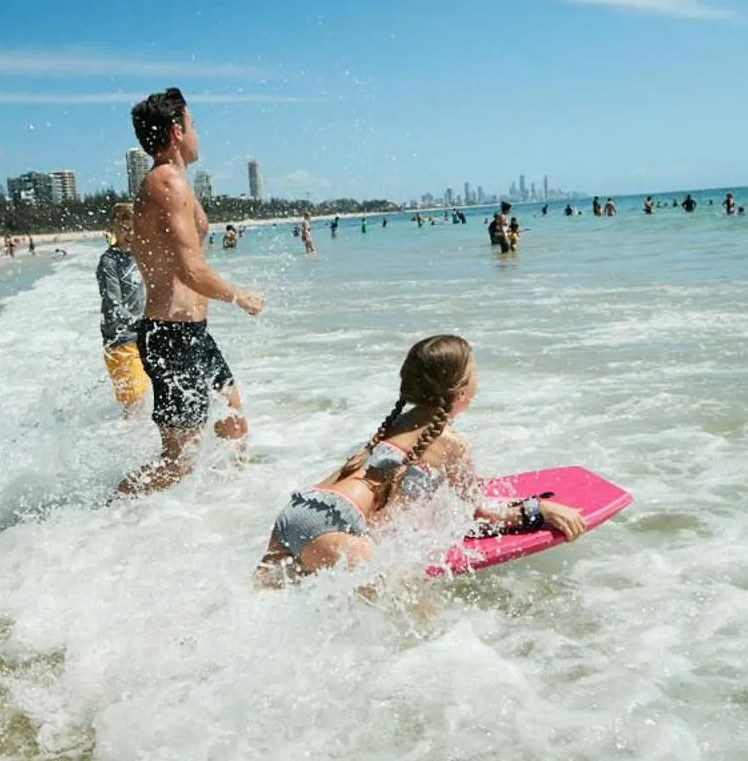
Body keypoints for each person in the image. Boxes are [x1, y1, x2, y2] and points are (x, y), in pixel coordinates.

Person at [256, 335, 586, 584]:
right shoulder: (451, 442)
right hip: (334, 524)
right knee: (423, 618)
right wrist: (539, 510)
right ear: (462, 391)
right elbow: (477, 514)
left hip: (297, 512)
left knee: (261, 617)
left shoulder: (396, 424)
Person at [118, 88, 265, 495]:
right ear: (176, 131)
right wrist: (238, 295)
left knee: (233, 424)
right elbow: (190, 269)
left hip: (191, 333)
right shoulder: (166, 181)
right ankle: (107, 512)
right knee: (177, 463)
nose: (198, 133)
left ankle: (225, 508)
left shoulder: (175, 180)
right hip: (170, 336)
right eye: (193, 124)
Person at [97, 202, 151, 416]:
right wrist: (139, 323)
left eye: (135, 228)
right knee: (134, 400)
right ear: (113, 227)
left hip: (141, 337)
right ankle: (119, 435)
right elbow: (113, 304)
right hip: (120, 340)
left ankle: (130, 433)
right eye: (125, 228)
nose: (131, 234)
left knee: (144, 396)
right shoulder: (108, 262)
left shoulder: (139, 254)